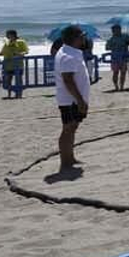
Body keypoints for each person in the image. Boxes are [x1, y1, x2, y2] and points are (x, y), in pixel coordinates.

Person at [54, 25, 91, 172]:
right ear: (75, 38)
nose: (84, 38)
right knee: (68, 128)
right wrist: (80, 100)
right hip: (70, 100)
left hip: (74, 99)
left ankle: (70, 157)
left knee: (73, 127)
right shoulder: (67, 55)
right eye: (81, 36)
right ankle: (65, 161)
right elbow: (68, 80)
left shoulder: (72, 52)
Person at [0, 29, 28, 97]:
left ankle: (19, 94)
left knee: (19, 79)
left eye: (8, 34)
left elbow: (26, 51)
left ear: (13, 35)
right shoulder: (7, 43)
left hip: (18, 65)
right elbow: (2, 53)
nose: (7, 36)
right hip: (8, 65)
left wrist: (19, 54)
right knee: (8, 80)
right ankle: (9, 94)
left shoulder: (21, 42)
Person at [105, 24, 129, 92]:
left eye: (117, 29)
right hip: (115, 58)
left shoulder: (125, 36)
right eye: (113, 30)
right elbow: (107, 48)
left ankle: (122, 86)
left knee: (123, 73)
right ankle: (116, 86)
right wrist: (114, 46)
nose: (115, 31)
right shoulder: (111, 39)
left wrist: (127, 42)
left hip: (124, 57)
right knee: (115, 73)